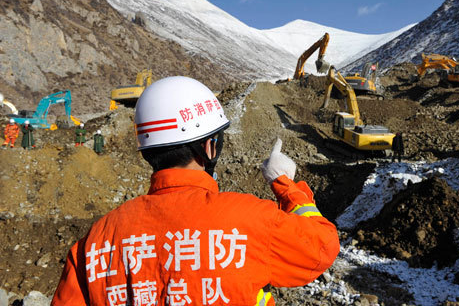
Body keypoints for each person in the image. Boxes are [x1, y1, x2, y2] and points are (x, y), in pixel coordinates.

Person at [52, 76, 340, 306]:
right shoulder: (250, 221)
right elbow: (321, 247)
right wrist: (286, 185)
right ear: (210, 146)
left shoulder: (96, 241)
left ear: (147, 152)